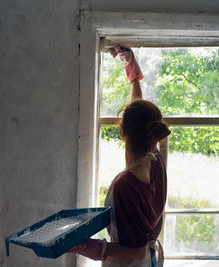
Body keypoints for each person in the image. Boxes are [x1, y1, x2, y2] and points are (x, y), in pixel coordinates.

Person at [69, 44, 171, 267]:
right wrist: (132, 73)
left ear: (122, 131)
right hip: (151, 260)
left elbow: (134, 251)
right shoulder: (157, 162)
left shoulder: (127, 185)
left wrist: (89, 246)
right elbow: (139, 116)